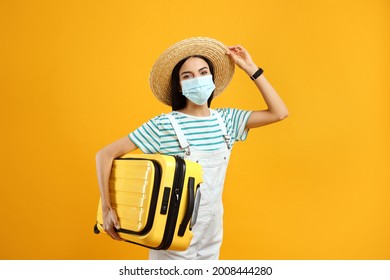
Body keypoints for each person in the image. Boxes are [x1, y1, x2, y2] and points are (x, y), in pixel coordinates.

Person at [95, 37, 288, 260]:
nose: (197, 79)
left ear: (213, 79)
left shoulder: (227, 120)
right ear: (180, 86)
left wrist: (251, 69)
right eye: (188, 76)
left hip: (212, 229)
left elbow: (279, 112)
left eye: (203, 72)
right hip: (171, 229)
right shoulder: (163, 125)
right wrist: (108, 210)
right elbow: (105, 154)